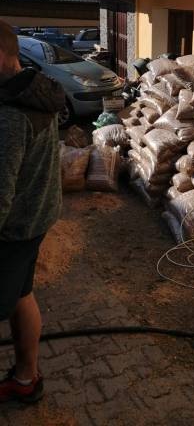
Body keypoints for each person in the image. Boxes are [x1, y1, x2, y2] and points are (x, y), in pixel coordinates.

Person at [0, 20, 64, 403]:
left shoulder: (10, 114)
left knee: (11, 298)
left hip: (12, 229)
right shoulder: (35, 90)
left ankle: (26, 378)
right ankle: (26, 378)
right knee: (22, 295)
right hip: (38, 215)